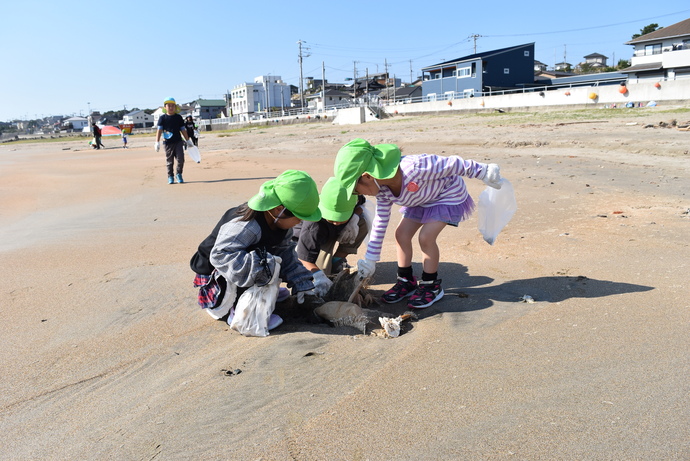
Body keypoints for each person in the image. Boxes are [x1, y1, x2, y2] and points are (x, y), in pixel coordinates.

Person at [333, 138, 503, 309]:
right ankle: (405, 281)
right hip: (419, 200)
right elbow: (380, 221)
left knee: (426, 237)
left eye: (355, 189)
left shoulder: (415, 167)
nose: (357, 194)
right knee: (401, 234)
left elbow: (453, 164)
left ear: (367, 176)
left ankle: (431, 286)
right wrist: (370, 259)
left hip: (446, 196)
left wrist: (484, 172)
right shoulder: (382, 190)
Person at [189, 170, 322, 331]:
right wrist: (264, 271)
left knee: (272, 260)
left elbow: (286, 253)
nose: (300, 222)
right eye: (299, 217)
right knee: (268, 263)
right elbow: (220, 255)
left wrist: (303, 285)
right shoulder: (248, 226)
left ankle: (265, 293)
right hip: (216, 280)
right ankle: (240, 310)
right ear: (278, 209)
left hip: (240, 267)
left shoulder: (280, 222)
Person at [292, 177, 370, 296]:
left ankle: (337, 261)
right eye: (332, 218)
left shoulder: (352, 196)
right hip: (311, 240)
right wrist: (318, 276)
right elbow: (303, 257)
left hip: (332, 232)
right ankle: (325, 270)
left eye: (340, 218)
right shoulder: (313, 225)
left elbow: (360, 206)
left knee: (362, 222)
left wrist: (354, 218)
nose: (336, 222)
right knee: (324, 277)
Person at [155, 97, 194, 184]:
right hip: (168, 143)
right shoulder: (162, 118)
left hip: (178, 141)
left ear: (175, 107)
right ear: (165, 107)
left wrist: (188, 140)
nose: (171, 107)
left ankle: (179, 174)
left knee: (181, 159)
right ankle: (170, 176)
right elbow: (159, 130)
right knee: (170, 161)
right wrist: (157, 142)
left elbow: (183, 130)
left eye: (173, 105)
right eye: (169, 105)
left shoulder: (178, 117)